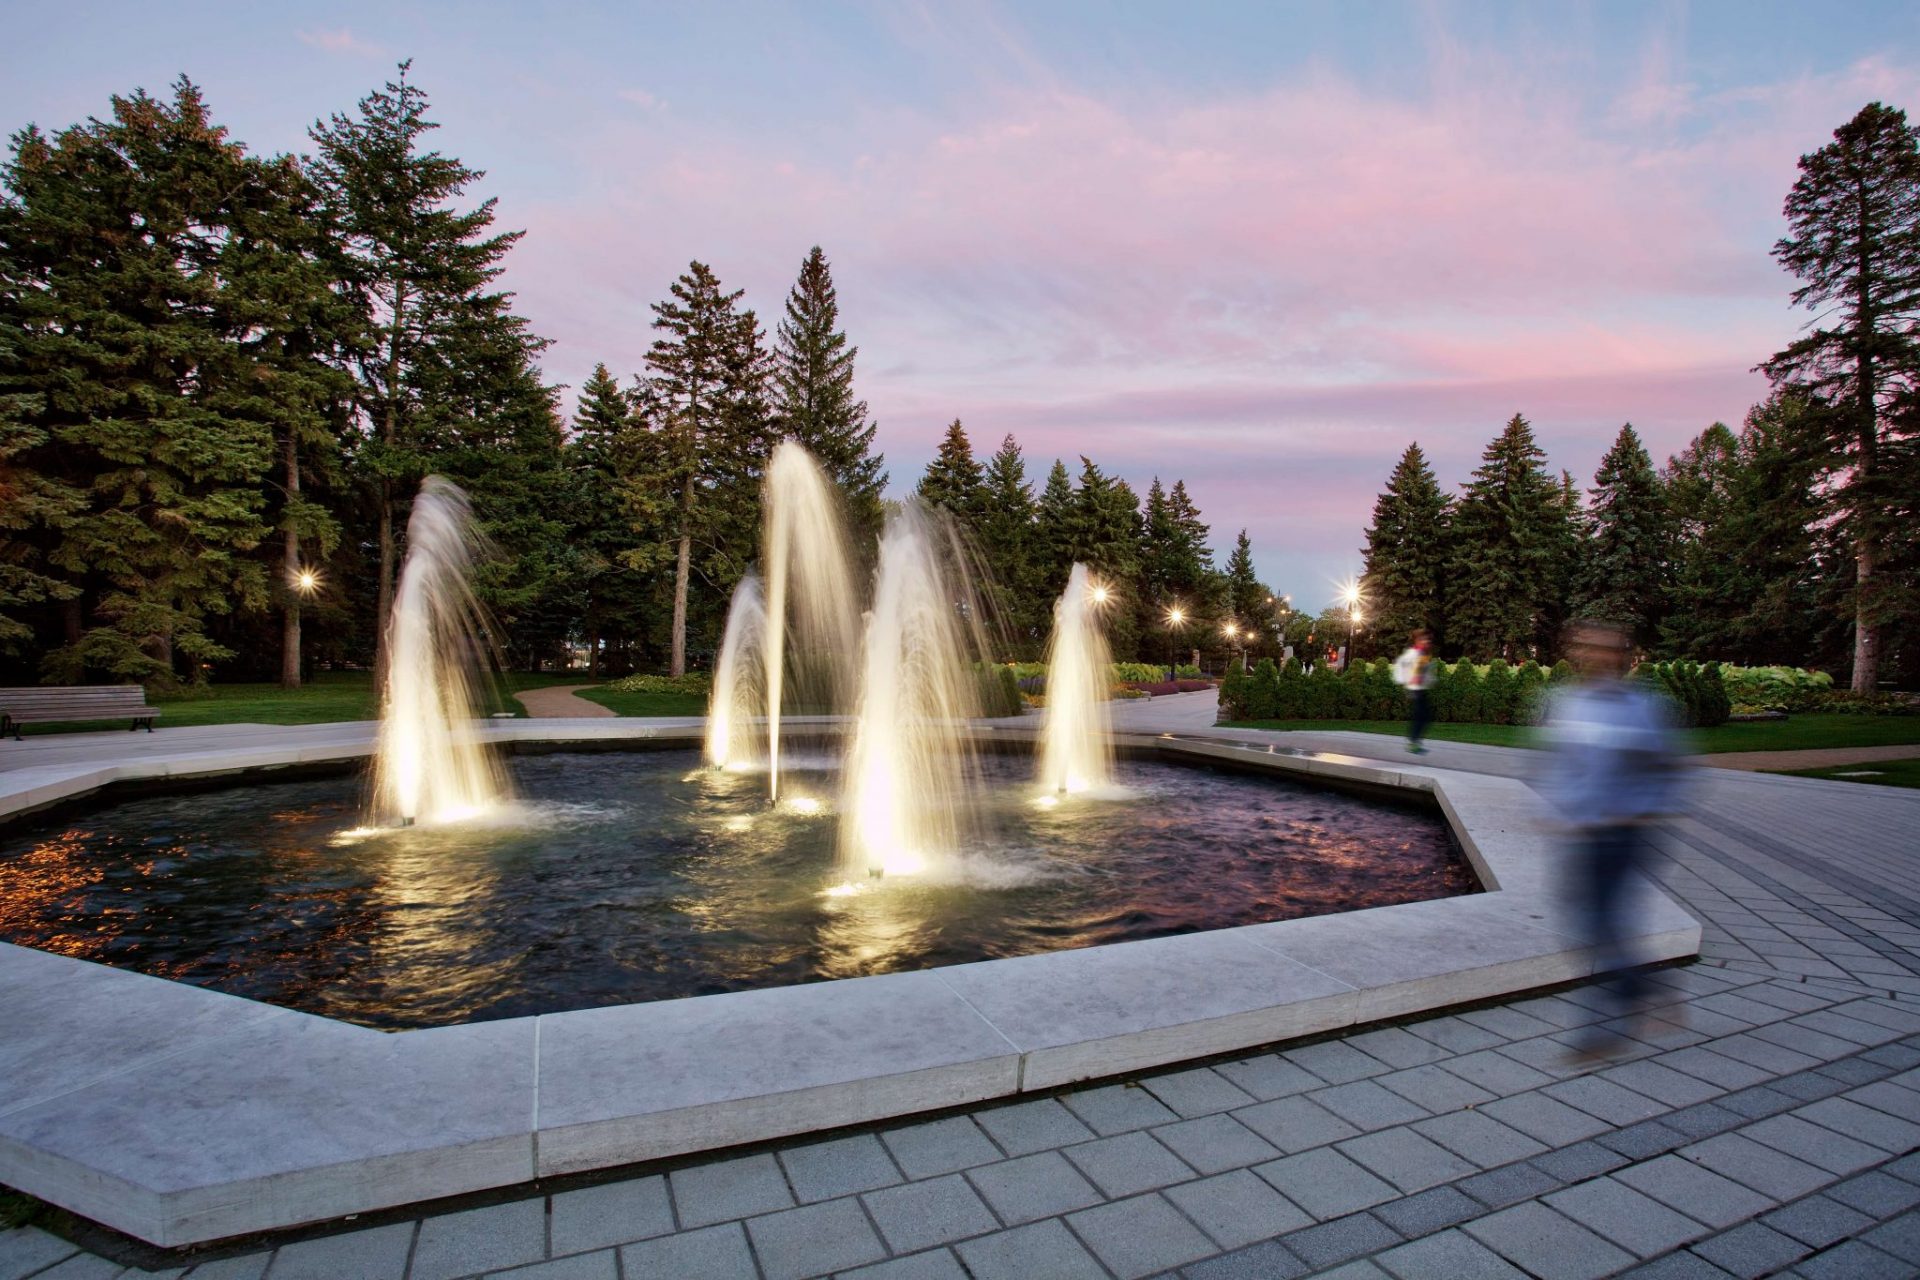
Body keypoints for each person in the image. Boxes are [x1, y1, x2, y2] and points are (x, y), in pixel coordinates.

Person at [1537, 620, 1684, 1058]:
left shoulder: (1640, 709)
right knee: (1584, 926)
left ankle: (1601, 1029)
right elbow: (1563, 764)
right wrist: (1552, 807)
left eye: (1605, 649)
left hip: (1624, 834)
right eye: (1587, 648)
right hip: (1582, 833)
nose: (1595, 656)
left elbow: (1671, 770)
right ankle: (1646, 985)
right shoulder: (1571, 704)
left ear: (1620, 657)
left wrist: (1639, 809)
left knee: (1602, 926)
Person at [1391, 630, 1434, 753]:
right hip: (1415, 689)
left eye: (1427, 639)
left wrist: (1429, 680)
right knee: (1421, 715)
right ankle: (1413, 743)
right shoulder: (1412, 654)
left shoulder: (1424, 655)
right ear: (1417, 640)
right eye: (1423, 639)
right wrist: (1404, 682)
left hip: (1421, 688)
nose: (1426, 641)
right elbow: (1400, 666)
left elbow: (1426, 672)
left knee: (1425, 716)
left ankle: (1414, 741)